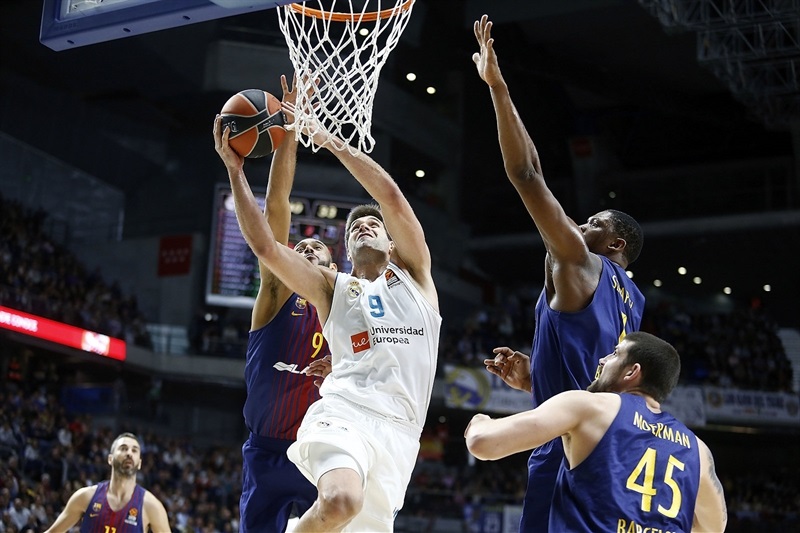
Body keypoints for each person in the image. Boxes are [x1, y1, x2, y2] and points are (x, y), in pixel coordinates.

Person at [213, 94, 441, 532]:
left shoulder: (416, 279)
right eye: (355, 226)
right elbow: (267, 240)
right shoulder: (332, 288)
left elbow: (390, 196)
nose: (363, 225)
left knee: (344, 514)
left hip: (399, 435)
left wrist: (331, 140)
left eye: (373, 224)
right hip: (336, 417)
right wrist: (238, 169)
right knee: (340, 501)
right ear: (345, 256)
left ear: (394, 245)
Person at [472, 14, 647, 532]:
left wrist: (499, 88)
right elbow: (591, 367)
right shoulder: (633, 301)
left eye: (592, 223)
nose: (579, 225)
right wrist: (537, 376)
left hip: (565, 446)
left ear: (615, 243)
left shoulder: (578, 262)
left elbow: (527, 174)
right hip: (607, 447)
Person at [465, 331, 728, 533]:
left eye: (614, 353)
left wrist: (478, 421)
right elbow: (712, 527)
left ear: (632, 372)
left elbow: (483, 443)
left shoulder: (588, 408)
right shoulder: (698, 450)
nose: (603, 359)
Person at [235, 75, 336, 533]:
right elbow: (278, 204)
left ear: (335, 271)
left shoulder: (347, 305)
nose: (308, 248)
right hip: (268, 449)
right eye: (303, 247)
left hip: (321, 447)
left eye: (321, 251)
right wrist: (288, 132)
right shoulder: (278, 294)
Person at [44, 432, 171, 533]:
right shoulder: (85, 497)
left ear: (139, 463)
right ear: (110, 459)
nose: (129, 453)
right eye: (123, 448)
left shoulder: (151, 506)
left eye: (134, 450)